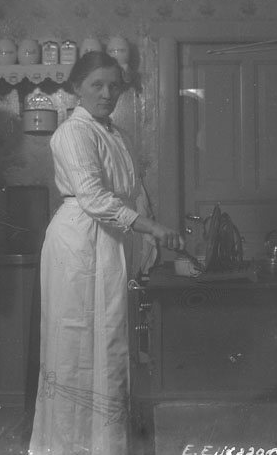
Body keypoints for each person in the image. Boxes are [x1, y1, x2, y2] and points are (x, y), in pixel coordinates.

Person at [29, 51, 184, 455]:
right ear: (76, 87)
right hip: (79, 242)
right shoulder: (72, 133)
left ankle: (106, 445)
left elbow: (134, 192)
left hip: (110, 240)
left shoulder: (115, 134)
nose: (107, 93)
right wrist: (150, 228)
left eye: (114, 85)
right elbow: (94, 198)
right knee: (77, 342)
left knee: (109, 339)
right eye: (97, 84)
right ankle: (69, 445)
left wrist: (148, 236)